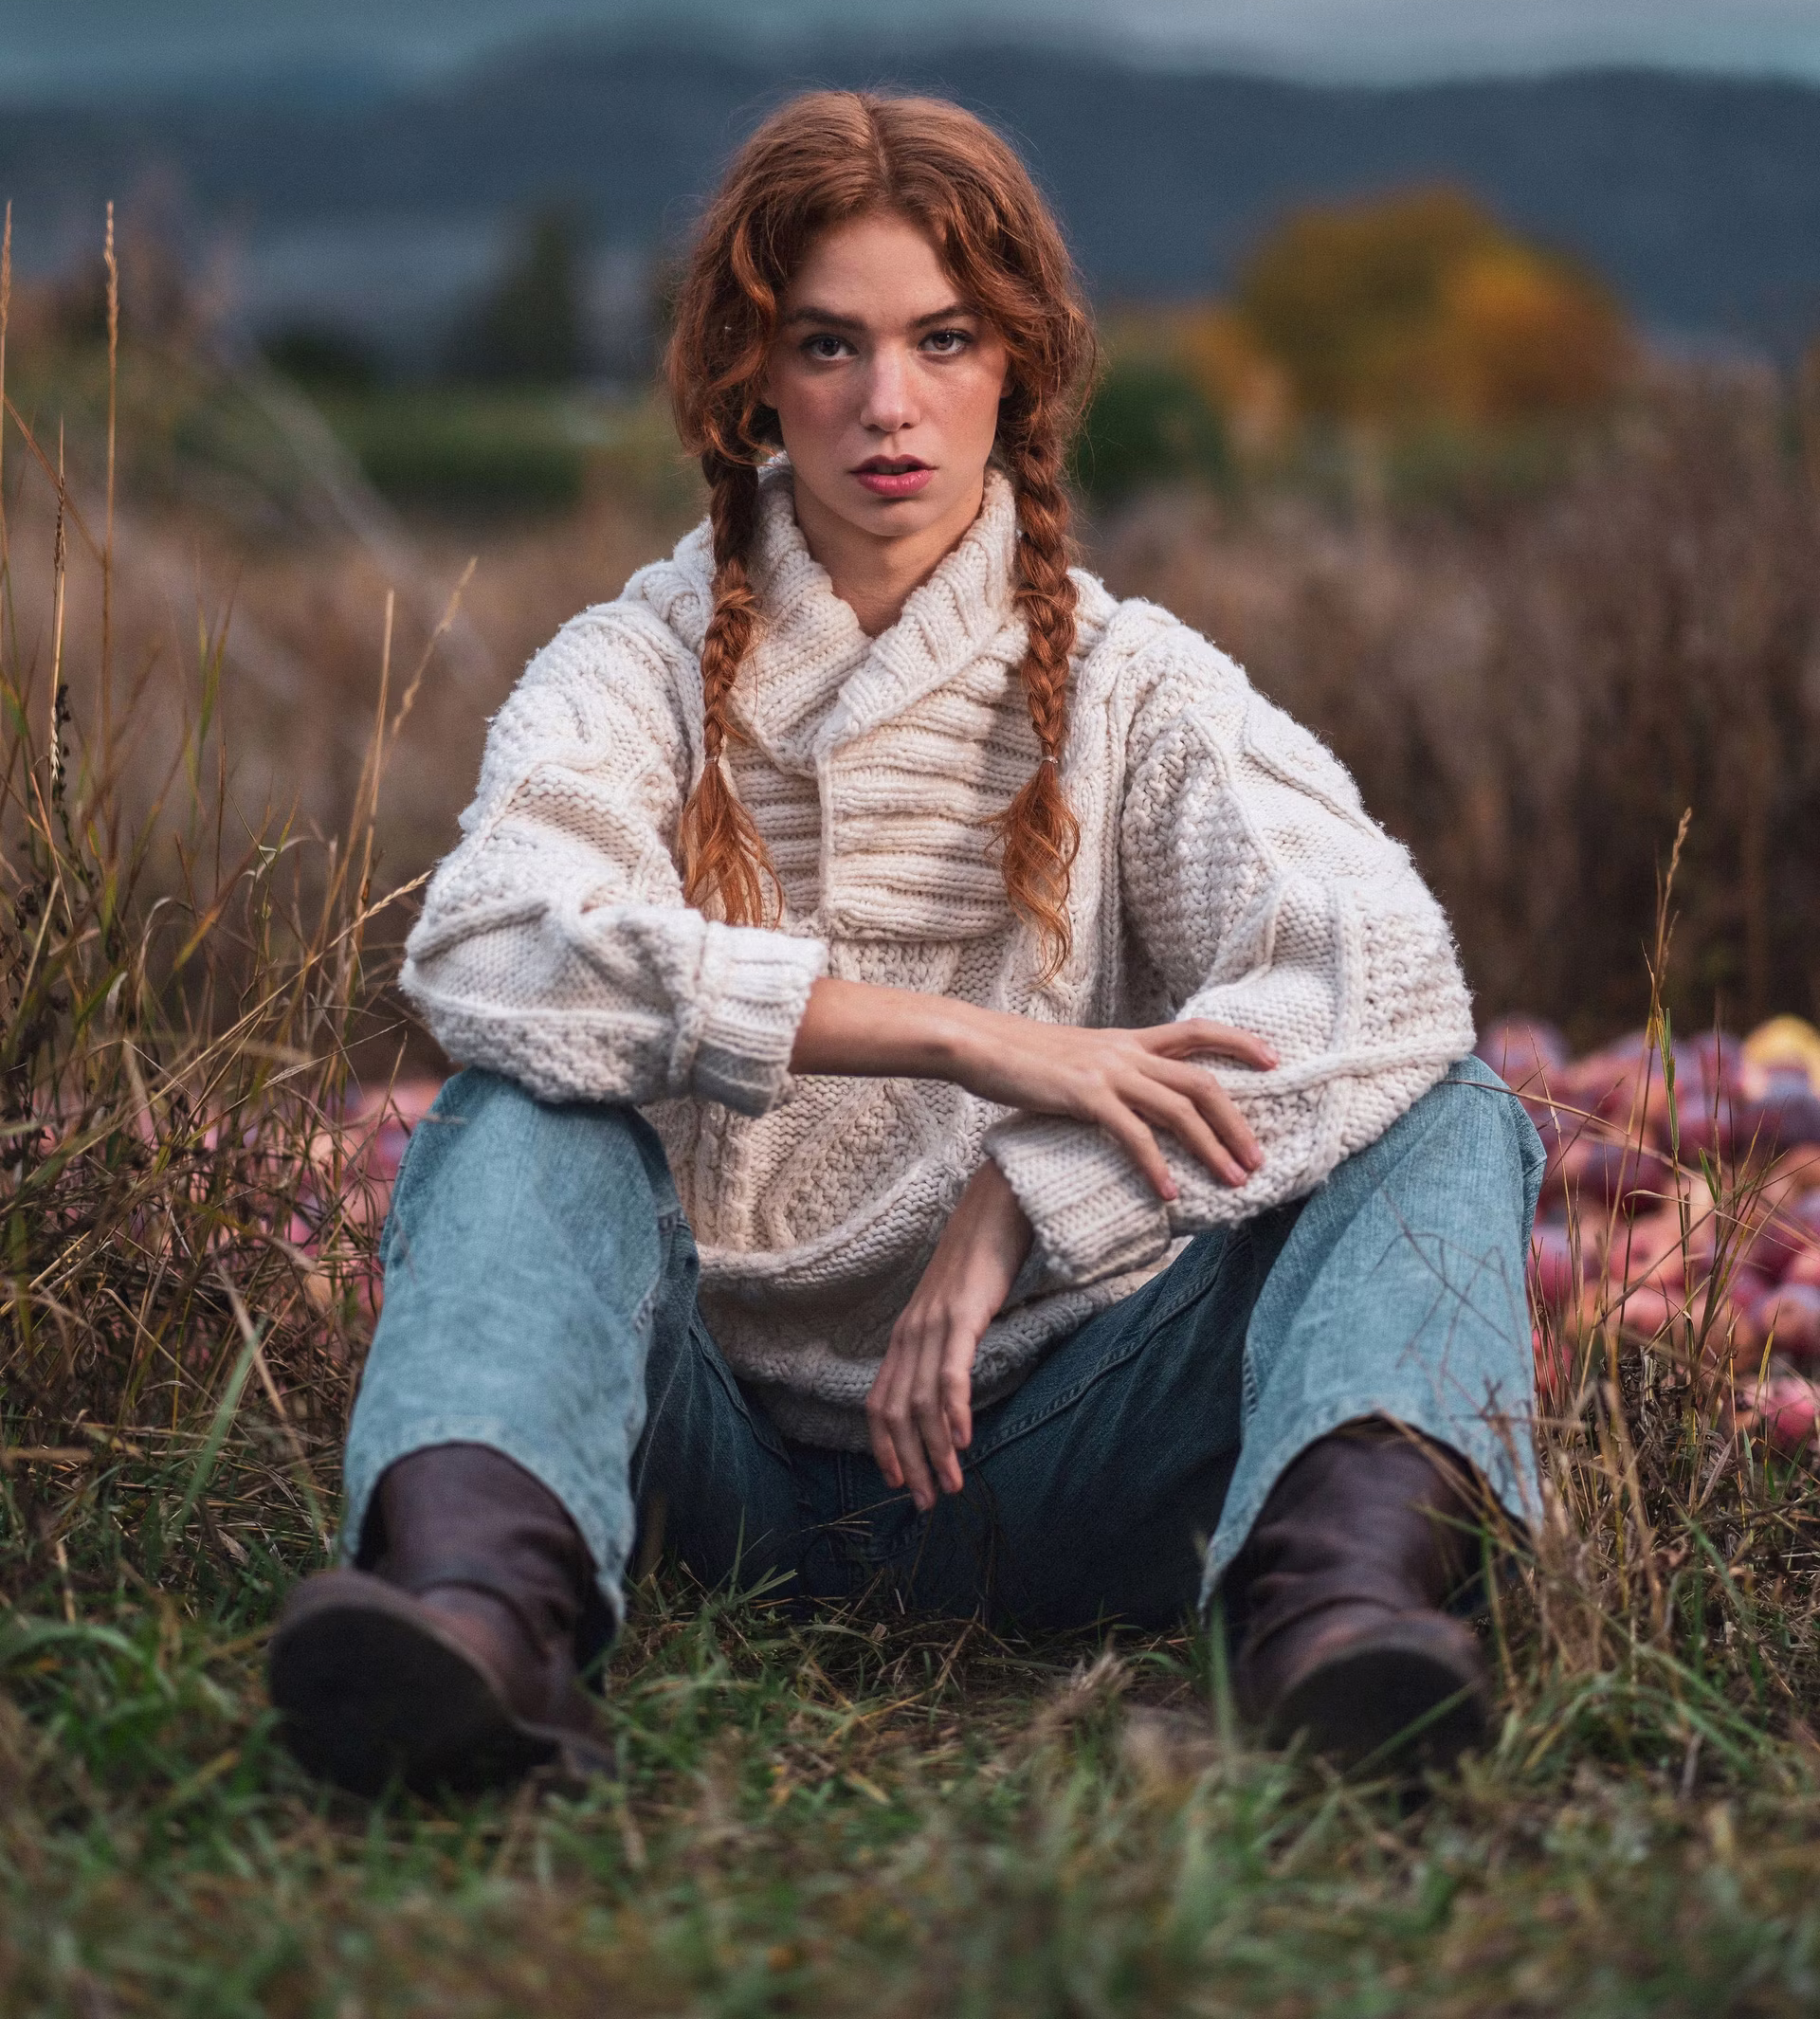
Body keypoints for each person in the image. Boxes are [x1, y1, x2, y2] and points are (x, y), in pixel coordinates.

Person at [269, 92, 1543, 1798]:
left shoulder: (1131, 685)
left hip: (1063, 1450)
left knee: (1450, 1113)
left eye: (944, 340)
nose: (889, 403)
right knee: (515, 1107)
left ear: (1018, 365)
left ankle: (1336, 1633)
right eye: (830, 344)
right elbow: (489, 943)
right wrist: (971, 1040)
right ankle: (473, 1624)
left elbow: (1383, 967)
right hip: (688, 1447)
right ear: (750, 377)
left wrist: (1029, 1187)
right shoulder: (633, 667)